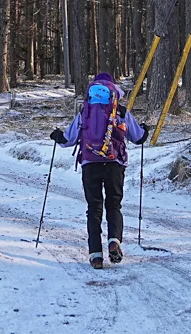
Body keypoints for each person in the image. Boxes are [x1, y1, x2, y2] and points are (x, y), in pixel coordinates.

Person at [51, 72, 146, 269]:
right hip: (115, 164)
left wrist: (58, 136)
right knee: (114, 205)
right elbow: (138, 137)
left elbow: (68, 140)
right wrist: (145, 130)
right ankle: (114, 241)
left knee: (93, 208)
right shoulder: (120, 112)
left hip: (90, 164)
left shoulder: (85, 112)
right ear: (113, 91)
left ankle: (95, 255)